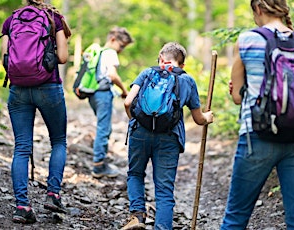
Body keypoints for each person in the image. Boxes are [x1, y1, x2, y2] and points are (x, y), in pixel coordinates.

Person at [221, 0, 294, 229]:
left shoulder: (247, 40)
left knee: (235, 217)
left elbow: (237, 97)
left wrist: (238, 88)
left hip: (257, 136)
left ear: (258, 9)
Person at [122, 42, 214, 230]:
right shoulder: (187, 80)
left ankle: (138, 216)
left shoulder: (147, 73)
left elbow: (128, 102)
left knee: (135, 173)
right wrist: (208, 117)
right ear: (182, 64)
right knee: (164, 188)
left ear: (161, 58)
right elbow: (198, 119)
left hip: (140, 132)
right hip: (169, 137)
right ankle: (162, 226)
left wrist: (136, 122)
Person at [0, 0, 72, 224]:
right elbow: (62, 58)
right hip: (49, 86)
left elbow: (6, 59)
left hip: (18, 89)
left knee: (21, 147)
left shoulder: (11, 20)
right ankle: (53, 194)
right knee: (58, 141)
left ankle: (22, 206)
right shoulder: (54, 19)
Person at [87, 27, 134, 178]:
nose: (121, 50)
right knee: (104, 129)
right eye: (121, 46)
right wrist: (124, 90)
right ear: (113, 39)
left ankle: (100, 160)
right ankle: (98, 165)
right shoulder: (110, 53)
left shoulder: (99, 52)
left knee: (102, 127)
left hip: (93, 94)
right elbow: (112, 75)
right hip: (103, 94)